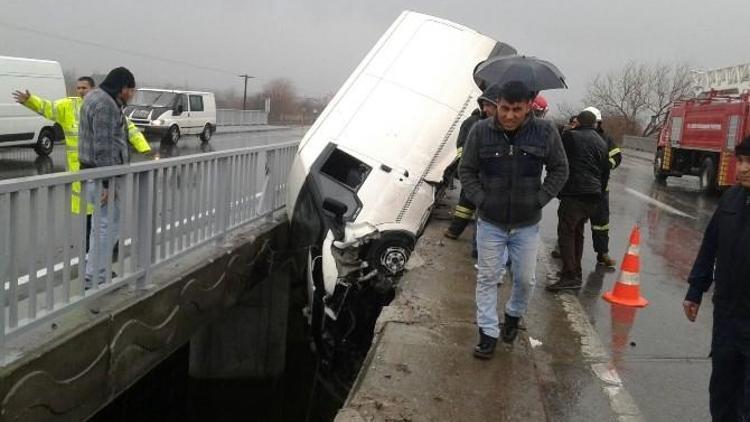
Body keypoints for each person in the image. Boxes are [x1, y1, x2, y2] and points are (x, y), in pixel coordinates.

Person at [460, 80, 568, 358]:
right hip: (490, 224)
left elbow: (560, 170)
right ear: (496, 105)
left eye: (516, 110)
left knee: (524, 280)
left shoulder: (545, 132)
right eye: (504, 108)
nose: (509, 116)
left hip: (526, 225)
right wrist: (481, 199)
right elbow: (467, 170)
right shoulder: (480, 131)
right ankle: (487, 333)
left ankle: (512, 315)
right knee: (487, 278)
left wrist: (539, 199)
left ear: (529, 107)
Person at [12, 76, 153, 251]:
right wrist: (30, 101)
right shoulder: (68, 107)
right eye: (78, 88)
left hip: (102, 169)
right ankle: (94, 253)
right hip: (81, 172)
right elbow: (48, 108)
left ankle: (104, 248)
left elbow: (128, 128)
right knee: (92, 215)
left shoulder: (104, 107)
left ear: (93, 89)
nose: (80, 91)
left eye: (84, 88)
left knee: (105, 213)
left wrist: (144, 148)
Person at [683, 136, 750, 421]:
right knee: (722, 392)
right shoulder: (732, 198)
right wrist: (696, 290)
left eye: (749, 162)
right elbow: (710, 245)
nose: (743, 168)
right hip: (727, 317)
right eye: (742, 160)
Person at [78, 67, 136, 289]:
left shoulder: (95, 97)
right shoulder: (105, 104)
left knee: (99, 228)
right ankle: (96, 278)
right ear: (122, 87)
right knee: (106, 228)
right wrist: (106, 183)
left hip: (93, 173)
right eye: (130, 90)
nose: (131, 94)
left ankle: (94, 273)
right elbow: (103, 146)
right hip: (101, 176)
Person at [546, 110, 609, 291]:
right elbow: (605, 171)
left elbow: (559, 161)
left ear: (579, 122)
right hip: (593, 194)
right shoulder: (601, 141)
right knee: (578, 233)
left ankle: (569, 275)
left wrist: (556, 188)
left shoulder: (571, 137)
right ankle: (575, 271)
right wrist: (599, 191)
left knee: (566, 233)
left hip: (574, 193)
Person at [444, 84, 501, 241]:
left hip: (485, 175)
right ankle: (457, 232)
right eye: (485, 105)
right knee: (469, 202)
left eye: (489, 105)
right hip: (475, 172)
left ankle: (458, 232)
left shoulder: (496, 126)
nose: (486, 108)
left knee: (470, 204)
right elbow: (462, 146)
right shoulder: (473, 123)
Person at [582, 106, 622, 268]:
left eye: (596, 123)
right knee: (572, 223)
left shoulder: (606, 139)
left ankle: (602, 253)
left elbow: (617, 156)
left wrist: (606, 166)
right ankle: (562, 249)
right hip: (580, 189)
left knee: (601, 223)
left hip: (600, 189)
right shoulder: (576, 136)